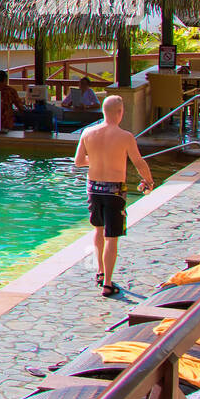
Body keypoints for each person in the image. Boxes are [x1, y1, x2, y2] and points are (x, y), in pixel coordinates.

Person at [73, 95, 155, 297]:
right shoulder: (125, 136)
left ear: (103, 111)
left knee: (98, 230)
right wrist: (149, 181)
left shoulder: (88, 132)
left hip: (93, 188)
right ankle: (108, 283)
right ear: (119, 113)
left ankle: (100, 272)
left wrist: (97, 160)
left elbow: (78, 161)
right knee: (112, 237)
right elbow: (138, 162)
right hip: (114, 191)